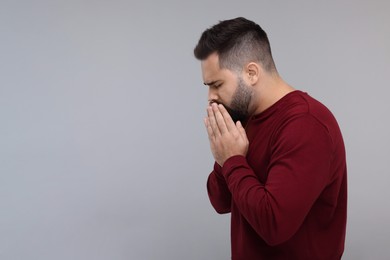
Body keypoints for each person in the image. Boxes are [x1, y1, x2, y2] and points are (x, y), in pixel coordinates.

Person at [193, 17, 347, 260]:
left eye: (217, 84)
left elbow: (274, 225)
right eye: (207, 86)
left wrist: (232, 159)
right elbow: (221, 201)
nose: (210, 97)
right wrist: (224, 156)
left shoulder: (306, 124)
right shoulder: (245, 118)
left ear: (251, 73)